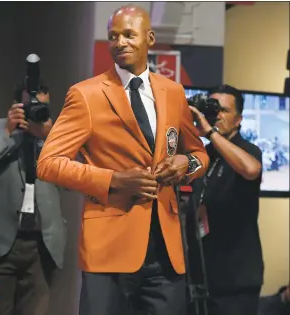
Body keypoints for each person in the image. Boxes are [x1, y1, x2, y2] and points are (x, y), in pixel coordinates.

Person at [36, 5, 209, 315]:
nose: (120, 42)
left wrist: (186, 164)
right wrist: (113, 180)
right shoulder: (86, 94)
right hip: (109, 250)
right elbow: (48, 162)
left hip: (166, 252)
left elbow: (199, 155)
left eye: (129, 35)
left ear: (150, 38)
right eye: (113, 36)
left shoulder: (173, 92)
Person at [0, 82, 66, 315]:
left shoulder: (57, 135)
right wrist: (9, 132)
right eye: (30, 106)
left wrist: (49, 138)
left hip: (42, 244)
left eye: (42, 106)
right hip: (0, 242)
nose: (36, 111)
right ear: (16, 106)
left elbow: (74, 177)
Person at [189, 84, 264, 315]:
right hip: (201, 275)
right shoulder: (205, 154)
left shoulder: (248, 150)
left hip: (236, 278)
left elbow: (251, 169)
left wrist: (210, 133)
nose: (217, 116)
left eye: (223, 111)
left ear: (238, 119)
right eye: (212, 110)